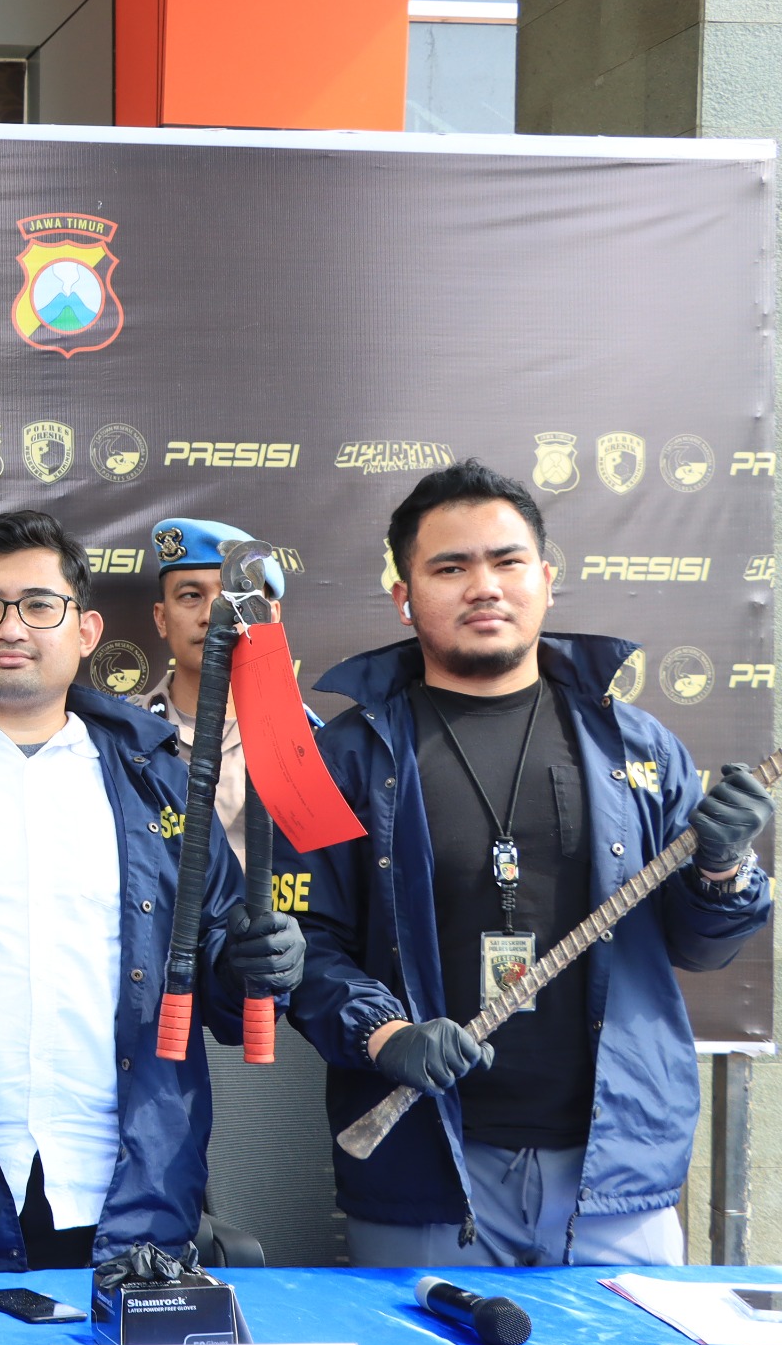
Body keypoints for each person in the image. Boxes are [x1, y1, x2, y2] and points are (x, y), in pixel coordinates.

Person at [295, 460, 772, 1266]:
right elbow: (305, 944)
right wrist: (383, 1033)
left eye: (507, 561)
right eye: (451, 568)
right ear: (404, 596)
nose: (484, 586)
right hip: (425, 1173)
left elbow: (700, 948)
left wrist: (724, 872)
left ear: (546, 580)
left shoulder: (639, 748)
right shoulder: (345, 758)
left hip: (616, 1179)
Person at [0, 509, 305, 1272]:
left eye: (38, 606)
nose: (11, 627)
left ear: (86, 631)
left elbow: (221, 983)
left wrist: (261, 961)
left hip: (125, 1198)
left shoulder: (160, 781)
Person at [135, 515, 310, 866]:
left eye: (237, 596)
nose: (214, 615)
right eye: (190, 596)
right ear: (161, 618)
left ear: (270, 616)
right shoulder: (124, 735)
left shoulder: (309, 743)